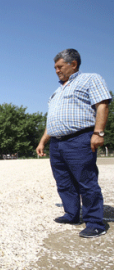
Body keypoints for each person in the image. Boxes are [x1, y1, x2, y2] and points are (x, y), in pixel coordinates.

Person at [36, 49, 111, 238]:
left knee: (86, 181)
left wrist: (98, 133)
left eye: (59, 66)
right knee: (63, 182)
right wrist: (43, 141)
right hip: (57, 143)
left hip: (79, 139)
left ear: (73, 64)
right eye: (55, 67)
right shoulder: (56, 92)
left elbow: (102, 104)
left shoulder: (90, 79)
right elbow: (51, 119)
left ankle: (95, 222)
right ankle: (72, 214)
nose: (56, 71)